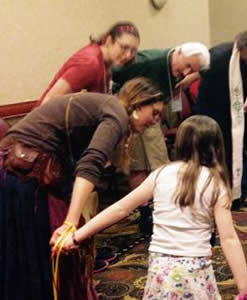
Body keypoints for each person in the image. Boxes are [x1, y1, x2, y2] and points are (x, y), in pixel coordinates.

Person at [57, 115, 247, 300]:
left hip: (161, 269)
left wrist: (77, 235)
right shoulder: (215, 182)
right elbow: (229, 239)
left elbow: (120, 208)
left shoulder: (161, 174)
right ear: (217, 148)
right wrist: (244, 289)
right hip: (195, 269)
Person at [1, 78, 165, 299]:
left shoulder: (110, 108)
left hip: (25, 169)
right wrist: (70, 222)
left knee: (37, 254)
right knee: (51, 249)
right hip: (26, 173)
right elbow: (90, 164)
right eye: (154, 113)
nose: (155, 122)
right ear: (139, 104)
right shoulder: (116, 112)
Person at [112, 42, 210, 232]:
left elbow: (198, 73)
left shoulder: (179, 70)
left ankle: (164, 209)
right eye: (187, 66)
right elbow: (113, 71)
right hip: (132, 115)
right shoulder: (150, 60)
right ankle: (145, 214)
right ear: (179, 52)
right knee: (138, 166)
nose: (186, 72)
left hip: (152, 118)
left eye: (192, 70)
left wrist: (189, 78)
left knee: (160, 163)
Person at [192, 28, 247, 207]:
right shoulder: (218, 56)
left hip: (236, 114)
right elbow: (198, 74)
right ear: (244, 46)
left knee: (239, 151)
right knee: (216, 155)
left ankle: (240, 193)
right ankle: (214, 195)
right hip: (211, 113)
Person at [38, 21, 140, 104]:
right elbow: (49, 102)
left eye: (133, 51)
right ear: (109, 40)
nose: (128, 55)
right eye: (124, 47)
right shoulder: (90, 63)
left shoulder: (106, 64)